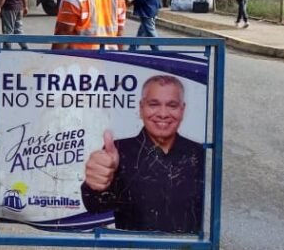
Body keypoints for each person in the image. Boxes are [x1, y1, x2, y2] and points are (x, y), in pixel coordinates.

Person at [81, 75, 204, 233]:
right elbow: (95, 206)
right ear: (141, 107)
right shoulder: (119, 150)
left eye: (172, 105)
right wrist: (95, 185)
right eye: (154, 104)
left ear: (182, 109)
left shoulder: (199, 154)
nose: (163, 113)